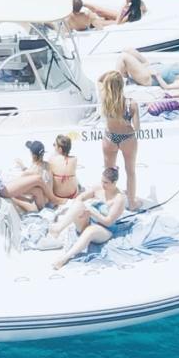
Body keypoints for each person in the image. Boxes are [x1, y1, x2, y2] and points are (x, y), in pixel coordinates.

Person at [50, 175, 128, 270]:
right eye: (102, 181)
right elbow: (80, 198)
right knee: (78, 205)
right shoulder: (98, 188)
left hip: (105, 230)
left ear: (114, 183)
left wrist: (92, 213)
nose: (103, 184)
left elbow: (108, 222)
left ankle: (64, 258)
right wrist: (83, 209)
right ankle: (58, 229)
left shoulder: (119, 198)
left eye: (106, 183)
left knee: (90, 230)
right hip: (90, 220)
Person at [98, 68, 141, 208]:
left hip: (110, 138)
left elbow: (99, 79)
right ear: (122, 86)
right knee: (131, 171)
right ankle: (132, 203)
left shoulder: (104, 99)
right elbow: (137, 127)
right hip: (127, 138)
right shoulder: (131, 104)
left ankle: (110, 202)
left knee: (109, 171)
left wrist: (112, 72)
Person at [2, 139, 59, 213]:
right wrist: (23, 167)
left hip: (41, 206)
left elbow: (18, 185)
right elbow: (40, 172)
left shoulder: (31, 171)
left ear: (33, 155)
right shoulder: (48, 165)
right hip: (50, 203)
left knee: (13, 196)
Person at [46, 132, 80, 201]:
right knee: (76, 178)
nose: (53, 146)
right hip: (73, 195)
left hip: (58, 196)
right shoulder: (74, 159)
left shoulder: (51, 159)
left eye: (54, 145)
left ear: (60, 149)